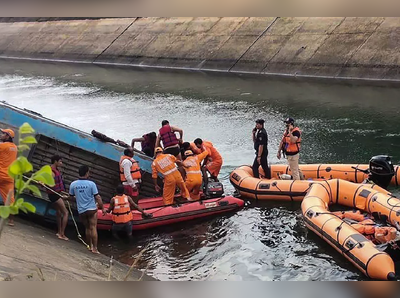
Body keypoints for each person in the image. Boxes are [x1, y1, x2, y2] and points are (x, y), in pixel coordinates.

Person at [69, 165, 105, 254]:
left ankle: (89, 246)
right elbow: (98, 197)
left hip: (81, 210)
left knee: (87, 228)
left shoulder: (73, 184)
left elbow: (71, 197)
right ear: (87, 173)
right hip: (92, 209)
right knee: (93, 228)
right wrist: (102, 208)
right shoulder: (91, 184)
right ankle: (95, 248)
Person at [47, 155, 69, 241]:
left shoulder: (56, 170)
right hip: (54, 195)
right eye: (60, 161)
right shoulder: (51, 171)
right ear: (55, 161)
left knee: (59, 212)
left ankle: (59, 231)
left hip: (56, 194)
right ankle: (62, 234)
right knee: (66, 213)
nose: (61, 163)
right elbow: (50, 183)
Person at [0, 129, 18, 227]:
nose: (1, 134)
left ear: (7, 136)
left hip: (0, 174)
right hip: (9, 177)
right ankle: (11, 221)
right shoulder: (14, 148)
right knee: (11, 200)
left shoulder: (2, 146)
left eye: (3, 133)